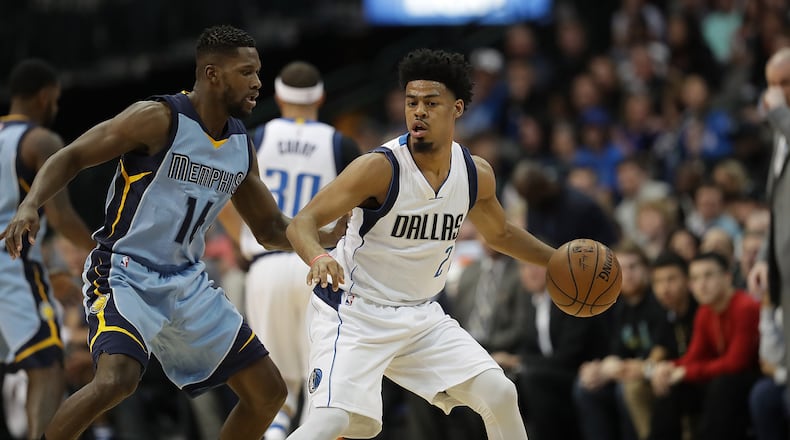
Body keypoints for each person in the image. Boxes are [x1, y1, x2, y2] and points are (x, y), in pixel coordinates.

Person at [0, 25, 342, 440]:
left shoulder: (239, 144)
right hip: (125, 270)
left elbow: (270, 228)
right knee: (116, 380)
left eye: (258, 73)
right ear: (213, 74)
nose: (257, 83)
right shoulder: (158, 118)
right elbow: (70, 156)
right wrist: (30, 203)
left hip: (186, 282)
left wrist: (334, 234)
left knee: (267, 392)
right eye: (247, 72)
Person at [284, 48, 556, 440]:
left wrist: (557, 258)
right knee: (333, 422)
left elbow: (500, 234)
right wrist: (319, 256)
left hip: (421, 316)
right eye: (412, 103)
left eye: (431, 103)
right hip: (356, 312)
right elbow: (302, 222)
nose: (419, 112)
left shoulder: (475, 173)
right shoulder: (379, 168)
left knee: (499, 392)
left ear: (457, 108)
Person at [218, 60, 361, 440]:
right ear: (321, 98)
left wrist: (242, 242)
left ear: (278, 96)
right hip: (318, 264)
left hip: (265, 266)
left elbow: (223, 198)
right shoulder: (340, 142)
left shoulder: (255, 137)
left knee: (277, 383)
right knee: (322, 378)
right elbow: (357, 211)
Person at [0, 59, 95, 439]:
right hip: (11, 264)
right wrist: (99, 249)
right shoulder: (40, 141)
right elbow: (61, 217)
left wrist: (51, 271)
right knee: (47, 361)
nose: (55, 108)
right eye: (54, 100)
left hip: (21, 268)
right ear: (44, 97)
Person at [651, 252, 760, 440]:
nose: (701, 284)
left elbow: (736, 363)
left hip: (752, 377)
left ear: (727, 277)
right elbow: (694, 356)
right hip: (724, 378)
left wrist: (686, 372)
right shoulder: (705, 311)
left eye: (708, 275)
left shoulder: (745, 307)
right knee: (670, 386)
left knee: (723, 384)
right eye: (695, 278)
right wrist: (669, 368)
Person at [749, 47, 790, 404]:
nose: (777, 93)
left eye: (787, 83)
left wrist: (778, 113)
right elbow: (778, 209)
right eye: (772, 85)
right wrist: (764, 255)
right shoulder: (781, 134)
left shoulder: (783, 123)